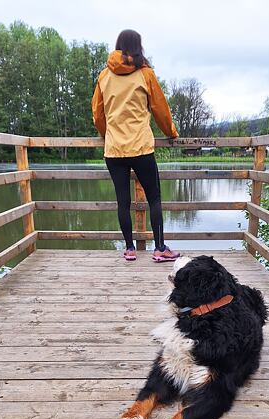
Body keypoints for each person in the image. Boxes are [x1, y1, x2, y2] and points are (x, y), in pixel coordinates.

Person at [92, 29, 181, 262]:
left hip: (114, 150)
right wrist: (171, 132)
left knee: (123, 201)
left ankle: (130, 249)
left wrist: (107, 134)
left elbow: (97, 115)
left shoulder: (104, 76)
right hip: (141, 147)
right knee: (154, 198)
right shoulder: (145, 74)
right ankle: (160, 248)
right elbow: (160, 109)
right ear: (138, 47)